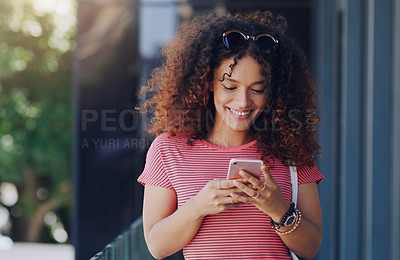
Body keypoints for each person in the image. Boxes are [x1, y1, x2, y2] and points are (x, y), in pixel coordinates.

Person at [138, 10, 323, 260]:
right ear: (206, 82)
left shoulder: (291, 148)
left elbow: (311, 247)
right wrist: (198, 207)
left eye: (257, 89)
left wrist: (278, 208)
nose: (243, 101)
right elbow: (157, 247)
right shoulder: (169, 149)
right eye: (230, 87)